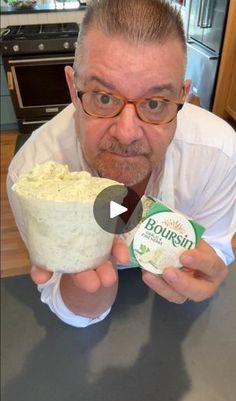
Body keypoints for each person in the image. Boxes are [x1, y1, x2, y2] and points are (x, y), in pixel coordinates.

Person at [7, 0, 236, 328]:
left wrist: (204, 271)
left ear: (182, 96)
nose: (127, 134)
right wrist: (88, 297)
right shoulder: (31, 175)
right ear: (74, 89)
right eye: (103, 98)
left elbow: (215, 246)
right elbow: (54, 284)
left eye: (155, 103)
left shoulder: (219, 153)